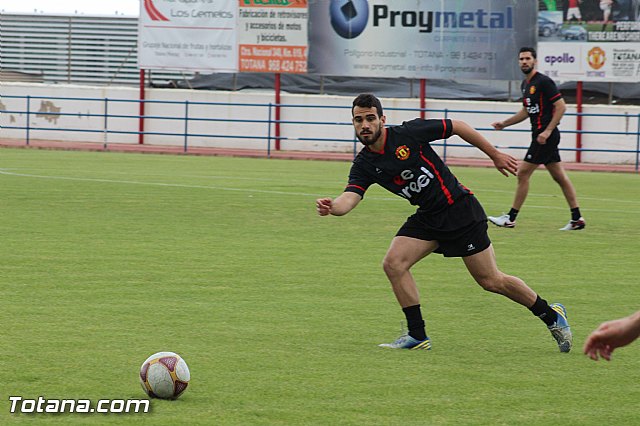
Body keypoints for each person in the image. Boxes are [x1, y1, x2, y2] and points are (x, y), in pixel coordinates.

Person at [315, 93, 572, 352]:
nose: (365, 125)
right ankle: (417, 335)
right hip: (428, 217)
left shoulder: (408, 133)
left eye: (370, 118)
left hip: (460, 211)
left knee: (491, 281)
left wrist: (494, 154)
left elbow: (457, 126)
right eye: (358, 120)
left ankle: (551, 314)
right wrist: (333, 207)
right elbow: (350, 197)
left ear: (382, 119)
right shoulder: (364, 163)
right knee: (394, 264)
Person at [488, 47, 585, 231]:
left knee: (523, 172)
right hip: (541, 136)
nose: (524, 62)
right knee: (560, 177)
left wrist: (547, 131)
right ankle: (577, 219)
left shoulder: (544, 82)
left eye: (528, 58)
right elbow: (526, 111)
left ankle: (510, 218)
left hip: (544, 137)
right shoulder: (526, 85)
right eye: (521, 59)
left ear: (535, 61)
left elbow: (561, 107)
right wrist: (504, 123)